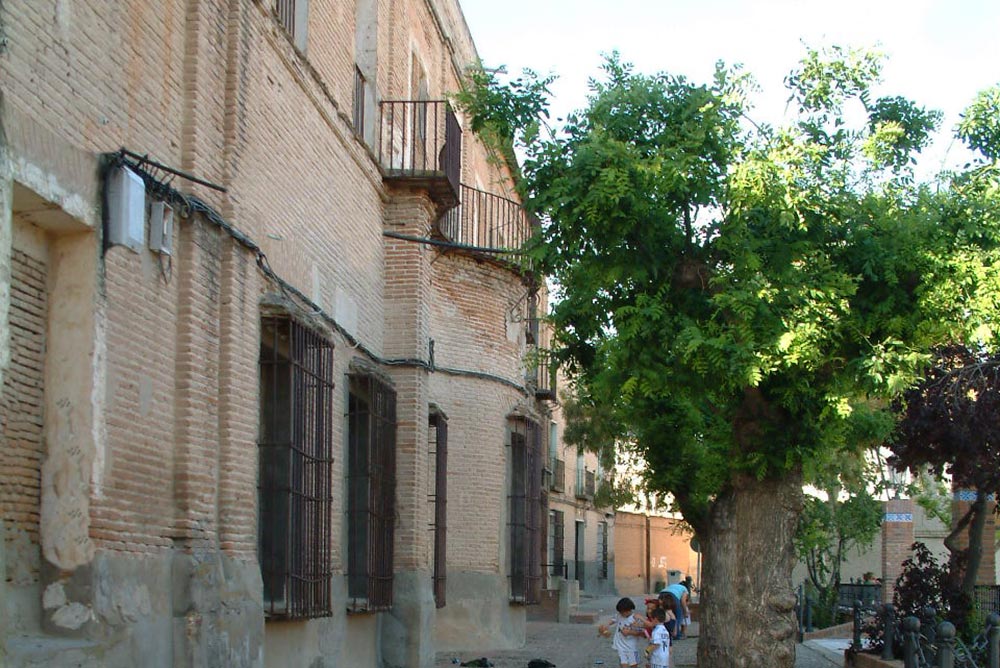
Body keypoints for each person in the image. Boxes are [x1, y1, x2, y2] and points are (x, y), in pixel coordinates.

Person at [598, 597, 645, 668]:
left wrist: (629, 632)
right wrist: (606, 625)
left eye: (622, 612)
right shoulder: (619, 616)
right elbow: (613, 620)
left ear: (628, 610)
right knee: (623, 664)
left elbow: (642, 633)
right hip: (621, 646)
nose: (620, 613)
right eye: (619, 612)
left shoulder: (635, 619)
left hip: (631, 647)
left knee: (633, 665)